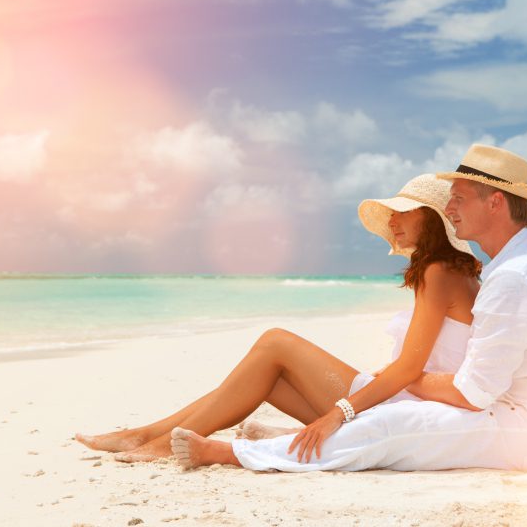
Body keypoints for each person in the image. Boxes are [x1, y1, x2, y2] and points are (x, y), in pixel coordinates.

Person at [171, 144, 527, 472]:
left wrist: (405, 376)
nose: (450, 208)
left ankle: (231, 453)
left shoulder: (516, 275)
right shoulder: (522, 262)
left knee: (392, 425)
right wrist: (400, 378)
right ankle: (261, 442)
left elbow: (471, 394)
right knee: (392, 418)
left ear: (495, 202)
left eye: (458, 199)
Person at [75, 173, 481, 463]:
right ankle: (145, 435)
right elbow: (423, 360)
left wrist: (337, 413)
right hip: (407, 397)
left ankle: (154, 440)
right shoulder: (450, 270)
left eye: (403, 213)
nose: (392, 221)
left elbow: (410, 368)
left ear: (430, 219)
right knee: (262, 377)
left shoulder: (438, 272)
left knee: (274, 341)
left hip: (404, 405)